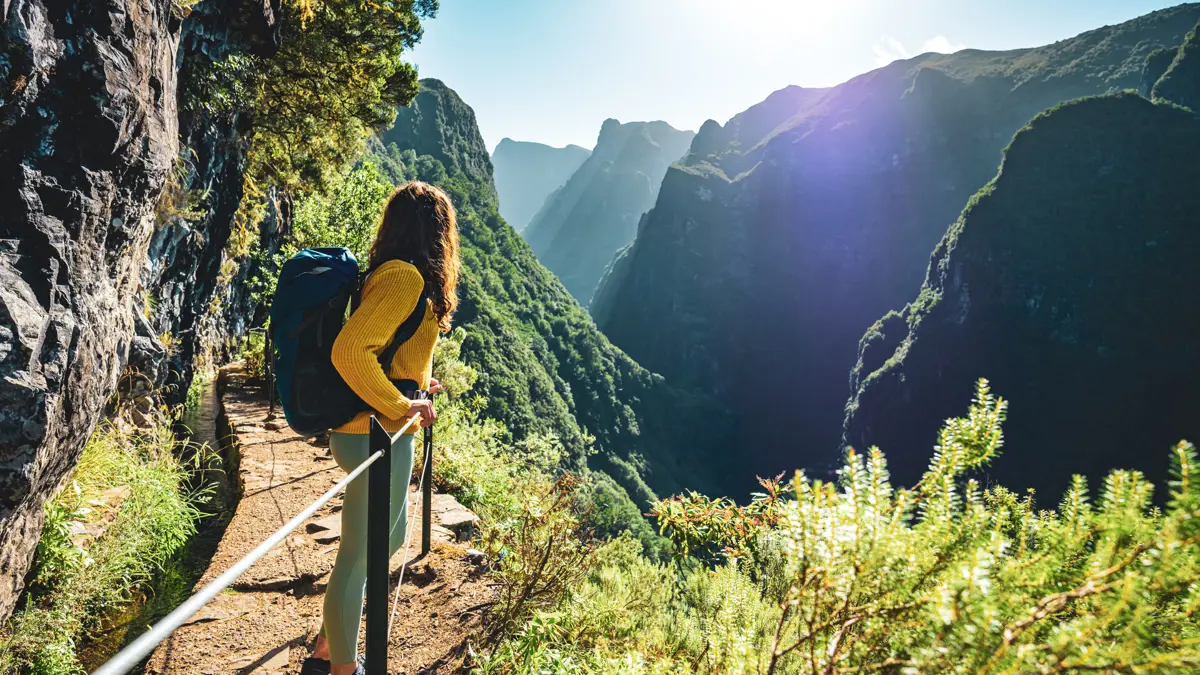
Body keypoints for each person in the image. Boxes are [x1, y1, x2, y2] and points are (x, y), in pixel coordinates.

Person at [302, 181, 459, 675]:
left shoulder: (394, 275)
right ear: (438, 233)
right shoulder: (404, 279)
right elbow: (351, 352)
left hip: (380, 430)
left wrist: (416, 383)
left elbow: (390, 349)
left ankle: (329, 647)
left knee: (380, 544)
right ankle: (343, 669)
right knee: (362, 553)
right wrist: (401, 404)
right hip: (373, 432)